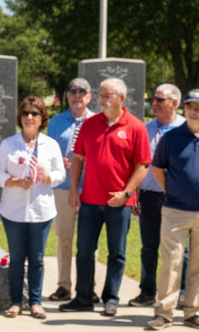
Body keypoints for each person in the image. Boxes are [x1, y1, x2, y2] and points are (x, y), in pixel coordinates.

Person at [60, 77, 151, 317]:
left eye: (107, 96)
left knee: (117, 252)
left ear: (121, 99)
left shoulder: (136, 127)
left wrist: (127, 193)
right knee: (84, 250)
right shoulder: (89, 125)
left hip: (119, 202)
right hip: (90, 200)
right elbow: (78, 158)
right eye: (100, 95)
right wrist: (73, 190)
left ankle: (111, 298)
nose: (102, 100)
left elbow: (142, 165)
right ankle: (84, 297)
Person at [145, 89, 199, 330]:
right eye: (189, 107)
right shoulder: (171, 138)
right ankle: (164, 312)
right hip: (175, 211)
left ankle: (193, 312)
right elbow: (157, 170)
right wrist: (173, 191)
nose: (192, 112)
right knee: (171, 262)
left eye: (197, 107)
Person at [0, 96, 65, 320]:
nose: (29, 117)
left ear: (42, 118)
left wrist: (46, 177)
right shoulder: (9, 144)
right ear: (20, 118)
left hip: (41, 210)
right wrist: (14, 181)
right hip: (13, 210)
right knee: (16, 258)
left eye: (34, 113)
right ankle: (16, 302)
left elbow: (61, 174)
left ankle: (35, 302)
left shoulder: (51, 145)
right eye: (25, 113)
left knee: (37, 259)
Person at [130, 84, 187, 307]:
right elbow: (138, 164)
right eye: (153, 99)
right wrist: (136, 195)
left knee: (180, 248)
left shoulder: (187, 128)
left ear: (174, 103)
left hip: (179, 198)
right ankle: (147, 291)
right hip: (150, 196)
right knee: (149, 247)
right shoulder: (145, 130)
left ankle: (181, 293)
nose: (154, 103)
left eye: (159, 100)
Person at [46, 78, 95, 301]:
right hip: (64, 188)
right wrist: (60, 162)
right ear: (67, 96)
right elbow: (48, 153)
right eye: (73, 92)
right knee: (64, 238)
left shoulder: (96, 121)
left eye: (82, 92)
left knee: (88, 243)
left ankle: (88, 287)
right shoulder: (56, 122)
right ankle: (64, 286)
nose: (77, 96)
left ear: (89, 97)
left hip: (91, 189)